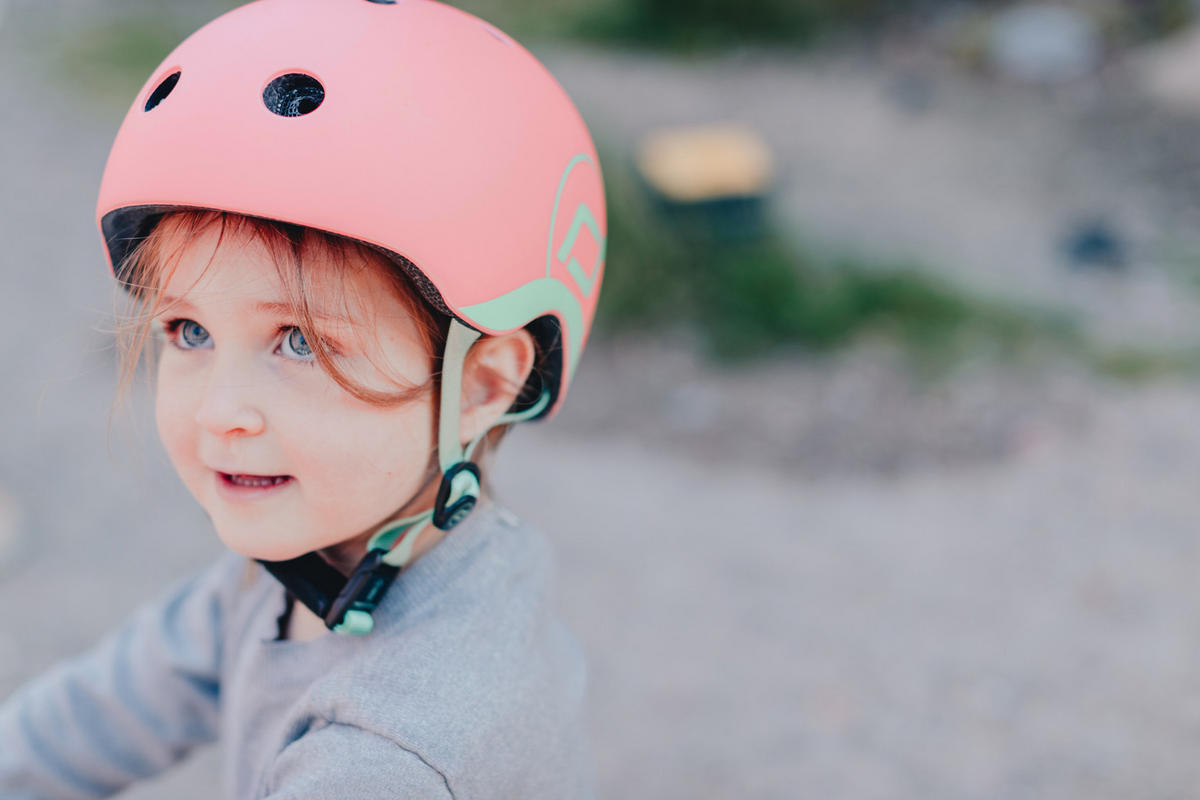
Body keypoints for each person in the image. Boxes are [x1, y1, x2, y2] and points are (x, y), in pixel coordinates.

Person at [0, 0, 607, 797]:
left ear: (483, 383)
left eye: (300, 343)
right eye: (188, 331)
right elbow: (94, 715)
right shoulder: (309, 560)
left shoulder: (390, 756)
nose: (223, 411)